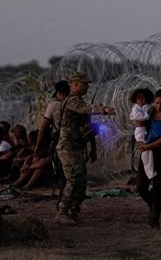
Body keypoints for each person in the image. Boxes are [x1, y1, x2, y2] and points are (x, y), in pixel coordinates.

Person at [54, 72, 115, 225]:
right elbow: (86, 109)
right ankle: (62, 212)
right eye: (84, 83)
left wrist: (92, 146)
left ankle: (74, 211)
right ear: (74, 85)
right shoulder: (72, 101)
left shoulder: (78, 102)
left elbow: (85, 126)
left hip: (76, 147)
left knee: (81, 181)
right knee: (74, 180)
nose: (87, 86)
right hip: (68, 147)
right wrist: (104, 109)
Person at [136, 88, 161, 229]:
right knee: (141, 186)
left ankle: (154, 219)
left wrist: (148, 146)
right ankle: (153, 206)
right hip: (147, 153)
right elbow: (139, 125)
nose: (159, 106)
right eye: (157, 103)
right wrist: (140, 142)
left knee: (157, 187)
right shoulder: (150, 112)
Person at [129, 88, 156, 182]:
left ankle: (150, 173)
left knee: (148, 151)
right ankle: (150, 173)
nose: (140, 100)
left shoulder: (148, 106)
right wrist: (146, 115)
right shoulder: (135, 107)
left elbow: (149, 111)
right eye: (138, 98)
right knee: (145, 150)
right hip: (140, 131)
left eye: (143, 98)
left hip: (147, 130)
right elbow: (137, 116)